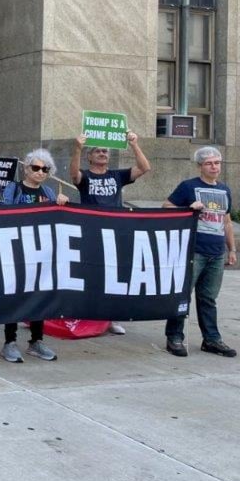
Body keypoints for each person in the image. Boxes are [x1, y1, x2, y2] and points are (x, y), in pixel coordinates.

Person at [70, 131, 152, 335]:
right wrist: (78, 148)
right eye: (97, 151)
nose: (102, 153)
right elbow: (74, 175)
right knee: (91, 274)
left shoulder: (117, 175)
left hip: (116, 233)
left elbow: (144, 168)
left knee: (114, 275)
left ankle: (111, 317)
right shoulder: (86, 176)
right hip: (91, 233)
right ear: (90, 157)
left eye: (105, 151)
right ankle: (88, 313)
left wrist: (134, 144)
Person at [163, 147, 236, 358]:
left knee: (209, 298)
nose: (214, 167)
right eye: (209, 163)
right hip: (193, 251)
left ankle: (212, 339)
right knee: (182, 295)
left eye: (217, 163)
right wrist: (187, 209)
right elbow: (166, 206)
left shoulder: (225, 190)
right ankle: (175, 337)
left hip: (216, 252)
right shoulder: (189, 187)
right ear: (200, 166)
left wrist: (231, 249)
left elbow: (227, 221)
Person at [0, 148, 67, 363]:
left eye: (45, 169)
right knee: (14, 295)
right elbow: (2, 212)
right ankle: (9, 342)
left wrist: (61, 204)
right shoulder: (13, 189)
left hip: (42, 252)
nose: (40, 172)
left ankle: (36, 341)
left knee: (39, 295)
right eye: (36, 168)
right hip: (17, 250)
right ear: (26, 168)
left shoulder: (49, 192)